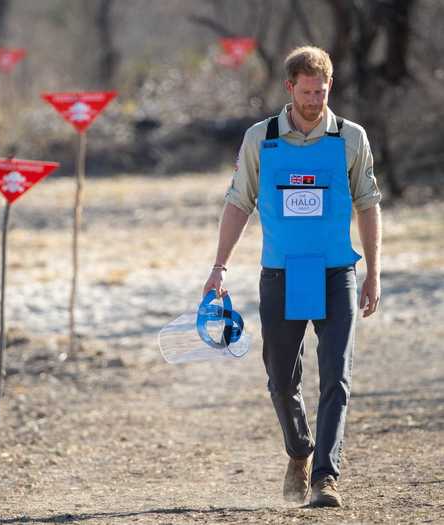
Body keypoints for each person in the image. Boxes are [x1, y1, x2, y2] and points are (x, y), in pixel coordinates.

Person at [202, 46, 382, 508]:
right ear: (289, 88)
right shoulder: (260, 139)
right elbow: (238, 202)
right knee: (281, 380)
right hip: (282, 274)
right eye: (306, 92)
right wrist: (219, 267)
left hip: (336, 271)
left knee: (337, 377)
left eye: (321, 92)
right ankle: (300, 451)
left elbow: (368, 204)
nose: (314, 100)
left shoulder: (351, 137)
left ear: (330, 86)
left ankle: (326, 476)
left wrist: (373, 272)